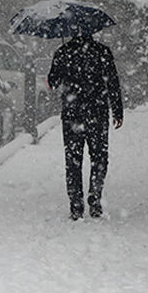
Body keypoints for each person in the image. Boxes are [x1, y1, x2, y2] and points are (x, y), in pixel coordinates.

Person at [48, 32, 123, 220]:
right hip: (97, 113)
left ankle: (75, 204)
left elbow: (53, 82)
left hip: (72, 114)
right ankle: (95, 198)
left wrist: (62, 68)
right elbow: (113, 83)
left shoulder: (63, 52)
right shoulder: (102, 52)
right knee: (99, 157)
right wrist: (117, 109)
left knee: (73, 159)